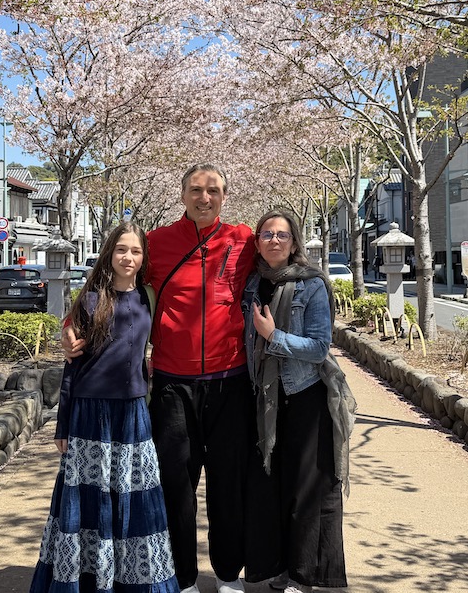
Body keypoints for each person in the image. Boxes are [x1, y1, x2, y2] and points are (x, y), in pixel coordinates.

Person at [63, 164, 256, 593]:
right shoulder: (157, 243)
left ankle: (228, 575)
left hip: (230, 379)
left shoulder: (243, 239)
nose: (204, 198)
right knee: (175, 485)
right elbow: (113, 284)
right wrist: (70, 324)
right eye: (196, 190)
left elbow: (283, 263)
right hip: (172, 384)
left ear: (225, 196)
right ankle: (182, 578)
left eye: (213, 190)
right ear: (182, 195)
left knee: (228, 482)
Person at [31, 222, 179, 593]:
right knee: (89, 499)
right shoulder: (91, 300)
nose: (128, 257)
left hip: (133, 412)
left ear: (144, 258)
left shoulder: (148, 295)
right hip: (90, 413)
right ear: (109, 253)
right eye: (121, 250)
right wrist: (62, 424)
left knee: (135, 496)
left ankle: (131, 581)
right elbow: (72, 366)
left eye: (136, 251)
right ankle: (87, 581)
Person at [242, 210, 349, 593]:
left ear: (294, 242)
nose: (274, 240)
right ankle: (282, 567)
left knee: (306, 490)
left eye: (282, 235)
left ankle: (304, 577)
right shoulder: (253, 284)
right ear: (257, 242)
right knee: (274, 488)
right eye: (267, 234)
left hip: (304, 395)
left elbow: (320, 348)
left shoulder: (312, 284)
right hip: (265, 397)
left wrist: (274, 337)